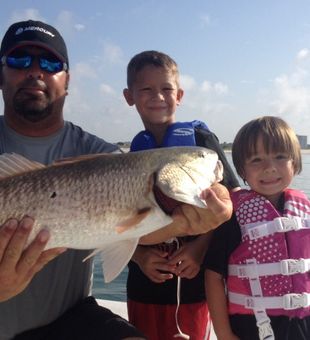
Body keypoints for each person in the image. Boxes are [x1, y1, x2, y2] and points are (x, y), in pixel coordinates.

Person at [0, 21, 233, 340]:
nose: (36, 71)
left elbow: (126, 227)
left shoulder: (103, 154)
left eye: (51, 63)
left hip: (73, 318)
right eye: (19, 60)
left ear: (67, 81)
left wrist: (188, 225)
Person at [123, 50, 240, 340]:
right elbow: (114, 223)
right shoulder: (129, 158)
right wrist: (138, 257)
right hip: (143, 284)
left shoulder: (202, 144)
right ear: (130, 96)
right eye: (146, 89)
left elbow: (231, 203)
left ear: (180, 95)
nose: (157, 97)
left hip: (194, 284)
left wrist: (200, 248)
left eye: (166, 89)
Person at [205, 116, 310, 340]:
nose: (270, 168)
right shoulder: (233, 217)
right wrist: (223, 333)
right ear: (242, 169)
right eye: (256, 160)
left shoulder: (304, 210)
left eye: (280, 157)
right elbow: (213, 277)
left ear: (295, 162)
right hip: (251, 328)